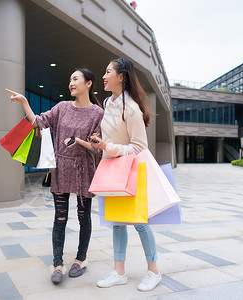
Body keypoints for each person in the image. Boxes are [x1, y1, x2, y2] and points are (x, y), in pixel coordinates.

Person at [6, 68, 104, 284]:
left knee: (83, 216)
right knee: (60, 218)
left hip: (83, 171)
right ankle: (57, 264)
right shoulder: (62, 108)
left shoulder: (98, 113)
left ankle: (81, 259)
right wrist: (24, 101)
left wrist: (78, 141)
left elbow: (98, 150)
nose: (71, 83)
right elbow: (37, 122)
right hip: (60, 168)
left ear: (89, 83)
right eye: (70, 79)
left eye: (76, 79)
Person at [89, 57, 162, 292]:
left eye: (107, 71)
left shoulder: (130, 108)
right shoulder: (110, 104)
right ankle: (119, 272)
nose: (103, 76)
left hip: (131, 169)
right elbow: (114, 138)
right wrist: (102, 143)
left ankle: (154, 271)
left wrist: (109, 148)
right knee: (117, 223)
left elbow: (140, 146)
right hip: (112, 169)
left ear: (121, 77)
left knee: (140, 222)